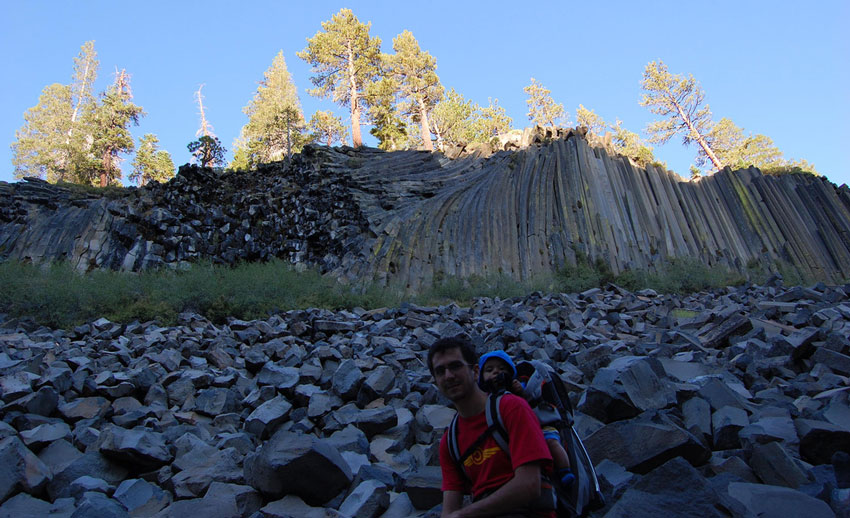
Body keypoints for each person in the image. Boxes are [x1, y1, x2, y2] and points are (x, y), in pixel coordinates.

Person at [428, 336, 555, 518]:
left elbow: (529, 485)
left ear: (475, 371)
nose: (448, 376)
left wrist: (464, 515)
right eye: (440, 371)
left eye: (456, 366)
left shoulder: (511, 408)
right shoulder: (450, 442)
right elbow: (449, 510)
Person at [478, 350, 575, 487]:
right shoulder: (484, 397)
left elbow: (526, 401)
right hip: (510, 433)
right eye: (489, 370)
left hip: (539, 426)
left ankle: (565, 469)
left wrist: (519, 391)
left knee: (551, 441)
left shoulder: (515, 386)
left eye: (502, 369)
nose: (496, 372)